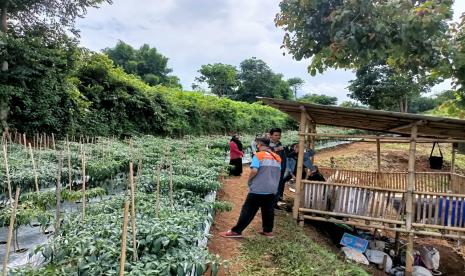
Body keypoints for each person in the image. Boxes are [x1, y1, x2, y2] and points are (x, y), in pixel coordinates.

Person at [220, 137, 281, 238]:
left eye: (257, 145)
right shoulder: (277, 157)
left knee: (248, 210)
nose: (257, 146)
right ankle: (268, 231)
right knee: (268, 210)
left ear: (260, 145)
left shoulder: (258, 155)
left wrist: (249, 180)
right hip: (272, 189)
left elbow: (254, 171)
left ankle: (236, 231)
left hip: (258, 189)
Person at [269, 128, 287, 207]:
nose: (278, 137)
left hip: (280, 169)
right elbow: (264, 153)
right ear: (271, 135)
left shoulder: (280, 144)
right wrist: (275, 149)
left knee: (278, 185)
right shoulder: (267, 144)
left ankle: (275, 203)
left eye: (279, 135)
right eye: (276, 135)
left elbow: (283, 158)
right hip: (270, 169)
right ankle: (268, 203)